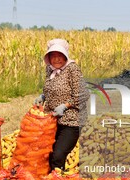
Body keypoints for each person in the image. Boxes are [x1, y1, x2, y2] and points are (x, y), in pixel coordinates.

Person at [35, 38, 90, 172]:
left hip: (71, 121)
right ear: (49, 57)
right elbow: (49, 88)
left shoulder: (72, 69)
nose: (57, 59)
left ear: (65, 56)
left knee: (58, 155)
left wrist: (65, 106)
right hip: (52, 120)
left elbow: (83, 94)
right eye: (53, 56)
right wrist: (43, 96)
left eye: (60, 56)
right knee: (47, 153)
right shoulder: (50, 70)